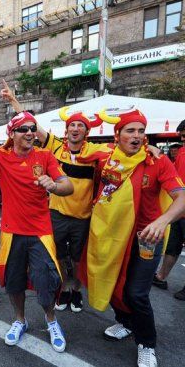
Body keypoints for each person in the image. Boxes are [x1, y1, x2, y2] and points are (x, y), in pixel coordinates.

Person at [81, 109, 185, 367]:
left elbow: (182, 198)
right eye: (130, 130)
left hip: (147, 239)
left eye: (141, 131)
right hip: (114, 235)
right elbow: (71, 151)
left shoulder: (157, 161)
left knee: (136, 293)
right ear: (118, 135)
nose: (136, 136)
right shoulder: (106, 159)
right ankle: (125, 323)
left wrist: (161, 221)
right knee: (115, 285)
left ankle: (147, 343)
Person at [1, 85, 106, 313]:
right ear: (66, 130)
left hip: (82, 217)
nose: (75, 128)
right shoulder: (56, 147)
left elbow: (121, 155)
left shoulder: (96, 153)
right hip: (56, 214)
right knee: (56, 255)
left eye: (80, 125)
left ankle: (76, 289)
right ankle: (63, 287)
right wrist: (13, 100)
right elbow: (32, 127)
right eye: (72, 125)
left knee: (77, 259)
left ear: (86, 132)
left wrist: (151, 151)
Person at [0, 111, 74, 353]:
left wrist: (54, 185)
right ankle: (20, 320)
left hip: (40, 232)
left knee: (46, 280)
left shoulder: (44, 156)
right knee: (13, 282)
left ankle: (51, 321)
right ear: (12, 134)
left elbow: (68, 185)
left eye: (33, 128)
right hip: (11, 233)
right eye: (24, 129)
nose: (31, 133)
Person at [153, 120, 185, 298]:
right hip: (178, 210)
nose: (182, 137)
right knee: (173, 246)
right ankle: (160, 276)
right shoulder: (181, 152)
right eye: (181, 134)